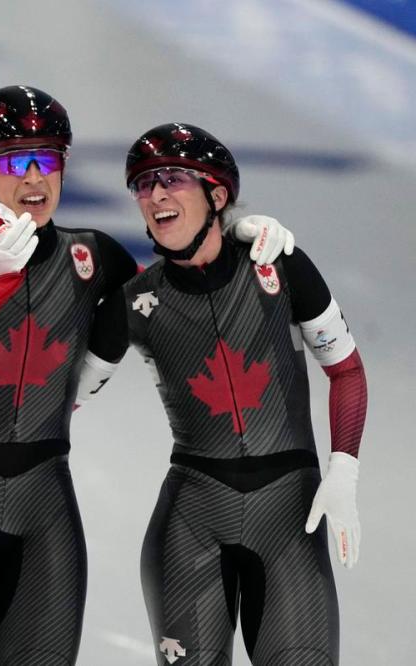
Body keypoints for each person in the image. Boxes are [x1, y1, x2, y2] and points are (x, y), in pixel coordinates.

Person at [0, 88, 291, 666]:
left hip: (46, 514)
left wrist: (234, 235)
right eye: (16, 161)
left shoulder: (94, 258)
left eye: (48, 159)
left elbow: (181, 288)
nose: (35, 178)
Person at [116, 123, 367, 664]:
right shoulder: (135, 302)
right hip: (190, 525)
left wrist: (344, 467)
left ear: (218, 193)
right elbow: (59, 387)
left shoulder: (279, 265)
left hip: (290, 521)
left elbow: (345, 371)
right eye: (143, 184)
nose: (156, 194)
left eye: (173, 178)